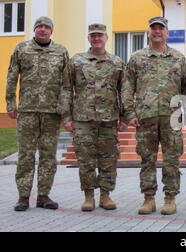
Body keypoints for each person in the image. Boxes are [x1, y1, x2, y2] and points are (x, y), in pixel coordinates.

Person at [122, 17, 186, 215]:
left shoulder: (178, 58)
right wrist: (129, 112)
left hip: (171, 118)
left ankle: (170, 198)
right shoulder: (137, 58)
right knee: (147, 159)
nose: (157, 32)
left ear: (167, 33)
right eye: (154, 28)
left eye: (161, 28)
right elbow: (127, 87)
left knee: (172, 160)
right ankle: (149, 198)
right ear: (148, 32)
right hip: (145, 117)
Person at [57, 24, 127, 212]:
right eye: (93, 36)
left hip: (108, 119)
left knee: (109, 159)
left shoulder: (117, 62)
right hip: (83, 119)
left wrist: (125, 117)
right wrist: (66, 117)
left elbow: (125, 91)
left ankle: (105, 195)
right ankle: (88, 195)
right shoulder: (76, 61)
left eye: (100, 35)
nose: (96, 39)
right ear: (89, 38)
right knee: (85, 159)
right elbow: (66, 89)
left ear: (106, 38)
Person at [6, 17, 69, 211]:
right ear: (34, 30)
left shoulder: (61, 51)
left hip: (52, 112)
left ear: (51, 31)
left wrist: (65, 107)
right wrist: (10, 102)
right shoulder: (21, 49)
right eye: (39, 27)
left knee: (48, 155)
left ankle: (43, 195)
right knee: (26, 154)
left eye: (46, 27)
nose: (43, 30)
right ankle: (23, 196)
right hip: (27, 111)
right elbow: (11, 76)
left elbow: (67, 83)